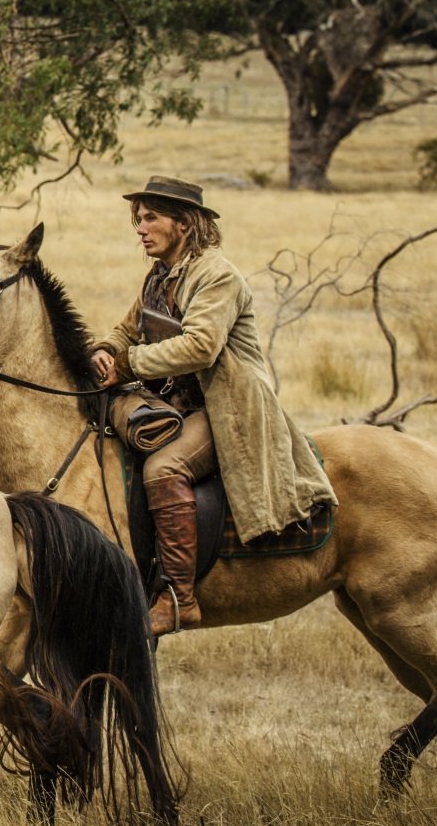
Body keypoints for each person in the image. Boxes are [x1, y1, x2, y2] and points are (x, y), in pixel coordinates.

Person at [90, 176, 335, 636]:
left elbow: (200, 346)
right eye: (138, 219)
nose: (140, 229)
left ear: (183, 224)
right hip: (178, 405)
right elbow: (127, 329)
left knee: (164, 469)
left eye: (151, 218)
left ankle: (180, 599)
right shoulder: (161, 275)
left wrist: (127, 365)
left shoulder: (215, 274)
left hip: (227, 410)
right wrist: (104, 348)